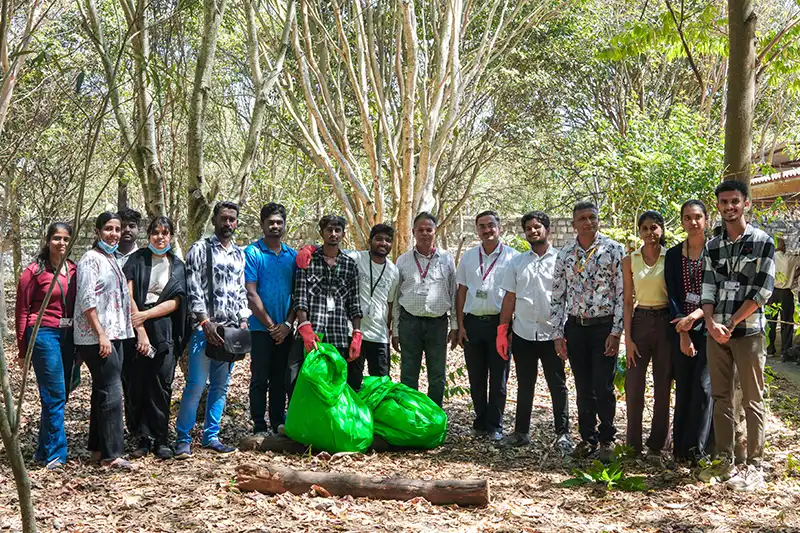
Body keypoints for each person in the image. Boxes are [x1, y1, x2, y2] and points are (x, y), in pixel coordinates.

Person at [699, 180, 775, 491]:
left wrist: (730, 323)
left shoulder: (762, 241)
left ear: (746, 203)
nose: (729, 207)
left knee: (753, 399)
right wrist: (710, 323)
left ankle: (755, 466)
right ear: (718, 206)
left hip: (748, 332)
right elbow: (707, 288)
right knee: (721, 397)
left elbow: (763, 291)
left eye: (734, 201)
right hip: (716, 334)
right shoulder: (712, 246)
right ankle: (724, 460)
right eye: (724, 202)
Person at [175, 201, 251, 459]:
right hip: (204, 329)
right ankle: (183, 439)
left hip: (230, 331)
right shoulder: (200, 249)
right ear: (214, 220)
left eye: (232, 219)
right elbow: (193, 287)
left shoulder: (238, 254)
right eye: (224, 218)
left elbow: (240, 290)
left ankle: (211, 436)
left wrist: (243, 320)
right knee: (196, 384)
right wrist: (205, 322)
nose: (228, 223)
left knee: (220, 386)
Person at [550, 201, 624, 462]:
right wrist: (557, 334)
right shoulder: (565, 254)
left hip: (604, 328)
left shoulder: (614, 249)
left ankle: (607, 439)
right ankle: (588, 438)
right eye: (582, 218)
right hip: (576, 327)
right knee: (583, 386)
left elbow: (622, 293)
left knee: (603, 386)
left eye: (592, 217)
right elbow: (557, 295)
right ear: (574, 224)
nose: (588, 222)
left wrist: (616, 331)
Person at [496, 211, 572, 454]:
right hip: (523, 333)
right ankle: (521, 432)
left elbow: (568, 296)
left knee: (557, 384)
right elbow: (510, 297)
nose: (533, 231)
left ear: (547, 229)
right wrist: (502, 330)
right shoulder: (517, 263)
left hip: (553, 335)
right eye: (528, 228)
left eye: (537, 227)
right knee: (525, 383)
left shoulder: (561, 259)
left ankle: (563, 433)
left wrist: (566, 331)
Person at [122, 216, 187, 460]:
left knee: (161, 383)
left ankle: (161, 438)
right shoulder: (136, 259)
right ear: (149, 235)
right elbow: (127, 294)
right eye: (156, 232)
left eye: (165, 233)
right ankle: (142, 438)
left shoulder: (177, 265)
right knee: (137, 382)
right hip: (135, 326)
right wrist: (139, 326)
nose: (160, 237)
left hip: (163, 328)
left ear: (171, 236)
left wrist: (146, 315)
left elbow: (177, 301)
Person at [74, 212, 135, 469]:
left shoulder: (112, 259)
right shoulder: (90, 259)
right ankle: (113, 454)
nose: (114, 234)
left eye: (117, 229)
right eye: (109, 229)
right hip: (96, 336)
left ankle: (97, 450)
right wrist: (100, 333)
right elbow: (87, 299)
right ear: (98, 231)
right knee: (112, 390)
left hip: (115, 333)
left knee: (103, 389)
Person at [15, 222, 77, 469]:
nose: (61, 243)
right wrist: (23, 350)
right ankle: (56, 455)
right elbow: (22, 311)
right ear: (48, 240)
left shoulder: (73, 269)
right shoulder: (33, 271)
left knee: (60, 394)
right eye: (56, 238)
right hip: (42, 334)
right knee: (55, 394)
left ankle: (43, 450)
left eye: (66, 239)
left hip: (68, 335)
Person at [456, 211, 517, 441]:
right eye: (482, 226)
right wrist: (460, 325)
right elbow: (461, 291)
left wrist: (509, 328)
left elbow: (515, 294)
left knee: (499, 378)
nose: (487, 230)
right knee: (476, 377)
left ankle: (495, 425)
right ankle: (480, 422)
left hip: (499, 324)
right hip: (473, 323)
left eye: (491, 225)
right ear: (477, 230)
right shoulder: (469, 257)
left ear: (499, 227)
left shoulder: (513, 257)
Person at [289, 215, 363, 393]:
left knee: (333, 387)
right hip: (311, 334)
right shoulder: (308, 260)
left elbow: (354, 302)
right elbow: (300, 296)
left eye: (338, 230)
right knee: (295, 381)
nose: (333, 234)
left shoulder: (350, 265)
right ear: (321, 232)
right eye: (329, 230)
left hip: (338, 335)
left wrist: (357, 333)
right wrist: (304, 326)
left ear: (343, 234)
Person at [392, 212, 458, 407]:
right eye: (420, 230)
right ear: (413, 232)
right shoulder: (402, 260)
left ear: (435, 231)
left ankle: (434, 415)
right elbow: (396, 298)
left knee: (437, 375)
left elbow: (453, 293)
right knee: (408, 374)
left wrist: (454, 326)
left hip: (437, 324)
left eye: (429, 229)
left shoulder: (446, 259)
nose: (424, 233)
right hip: (409, 323)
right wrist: (395, 330)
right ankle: (410, 414)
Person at [666, 199, 714, 463]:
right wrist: (683, 332)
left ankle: (700, 449)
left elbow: (718, 290)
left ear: (706, 219)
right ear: (682, 221)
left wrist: (696, 318)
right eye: (687, 217)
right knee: (683, 386)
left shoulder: (716, 251)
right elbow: (672, 295)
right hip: (681, 328)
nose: (693, 222)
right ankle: (681, 449)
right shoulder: (674, 255)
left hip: (709, 328)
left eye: (697, 217)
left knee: (704, 387)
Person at [622, 210, 672, 458]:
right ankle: (633, 444)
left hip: (665, 322)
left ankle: (657, 444)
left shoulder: (671, 257)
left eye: (654, 227)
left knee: (663, 385)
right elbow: (627, 302)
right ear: (639, 231)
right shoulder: (630, 260)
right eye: (645, 228)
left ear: (661, 229)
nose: (650, 232)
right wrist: (628, 339)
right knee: (634, 386)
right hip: (640, 321)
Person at [244, 203, 296, 435]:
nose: (275, 226)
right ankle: (259, 424)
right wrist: (271, 326)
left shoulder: (292, 256)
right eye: (271, 222)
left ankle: (278, 421)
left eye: (279, 222)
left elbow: (298, 294)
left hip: (286, 329)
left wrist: (287, 325)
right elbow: (251, 293)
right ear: (262, 224)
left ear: (284, 225)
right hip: (260, 328)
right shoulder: (253, 253)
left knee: (280, 378)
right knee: (260, 377)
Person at [766, 236, 800, 359]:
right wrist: (794, 274)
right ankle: (785, 351)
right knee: (787, 322)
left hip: (772, 292)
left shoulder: (770, 258)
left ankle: (770, 349)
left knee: (771, 321)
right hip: (786, 293)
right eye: (784, 245)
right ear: (782, 246)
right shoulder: (790, 259)